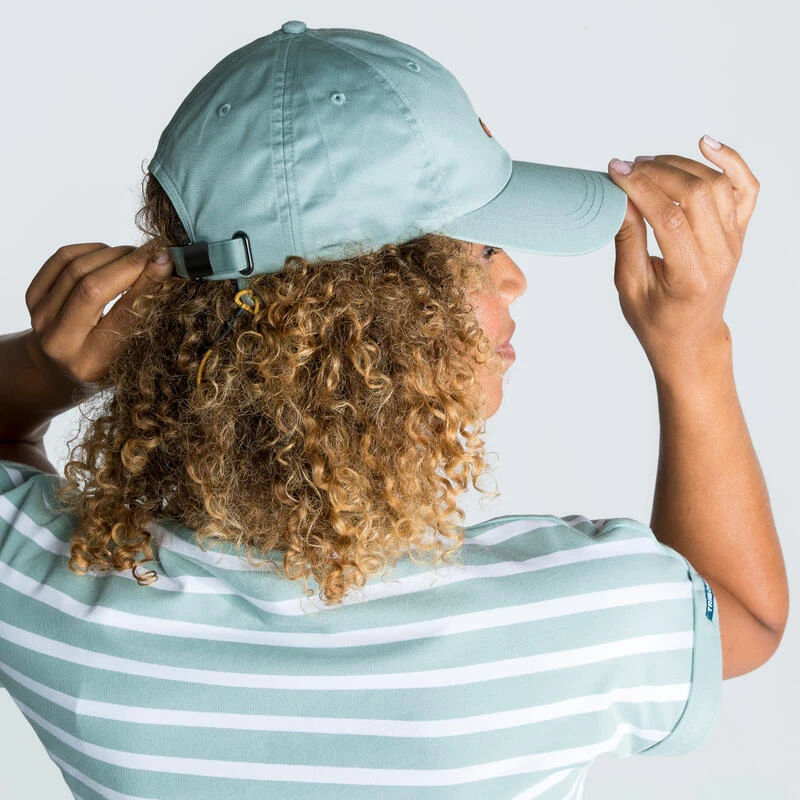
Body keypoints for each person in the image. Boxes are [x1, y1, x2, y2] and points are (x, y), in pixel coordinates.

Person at [0, 19, 787, 800]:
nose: (515, 279)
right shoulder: (576, 621)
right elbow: (744, 612)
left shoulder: (60, 601)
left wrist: (51, 367)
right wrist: (693, 351)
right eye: (482, 251)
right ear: (379, 316)